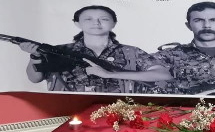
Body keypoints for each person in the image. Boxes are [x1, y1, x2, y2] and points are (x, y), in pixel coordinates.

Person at [19, 5, 171, 93]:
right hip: (69, 113)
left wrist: (110, 74)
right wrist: (35, 57)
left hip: (121, 114)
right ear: (77, 23)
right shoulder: (58, 51)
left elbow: (163, 74)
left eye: (103, 19)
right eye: (88, 19)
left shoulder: (131, 52)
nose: (96, 23)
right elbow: (34, 79)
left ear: (114, 23)